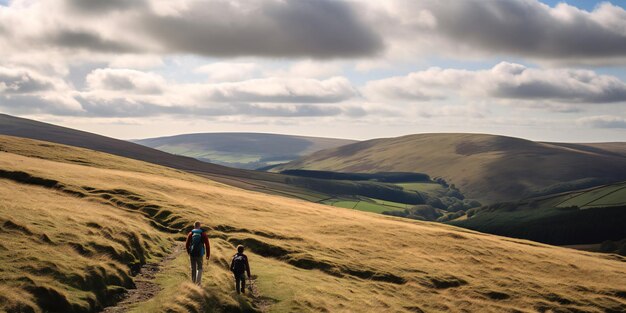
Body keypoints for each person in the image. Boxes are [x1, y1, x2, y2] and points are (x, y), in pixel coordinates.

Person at [185, 221, 210, 285]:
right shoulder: (203, 234)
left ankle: (193, 283)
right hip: (200, 253)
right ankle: (198, 283)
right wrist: (207, 255)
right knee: (200, 267)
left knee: (193, 268)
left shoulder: (191, 233)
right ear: (200, 226)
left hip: (192, 253)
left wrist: (189, 252)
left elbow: (187, 244)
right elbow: (207, 245)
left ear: (194, 226)